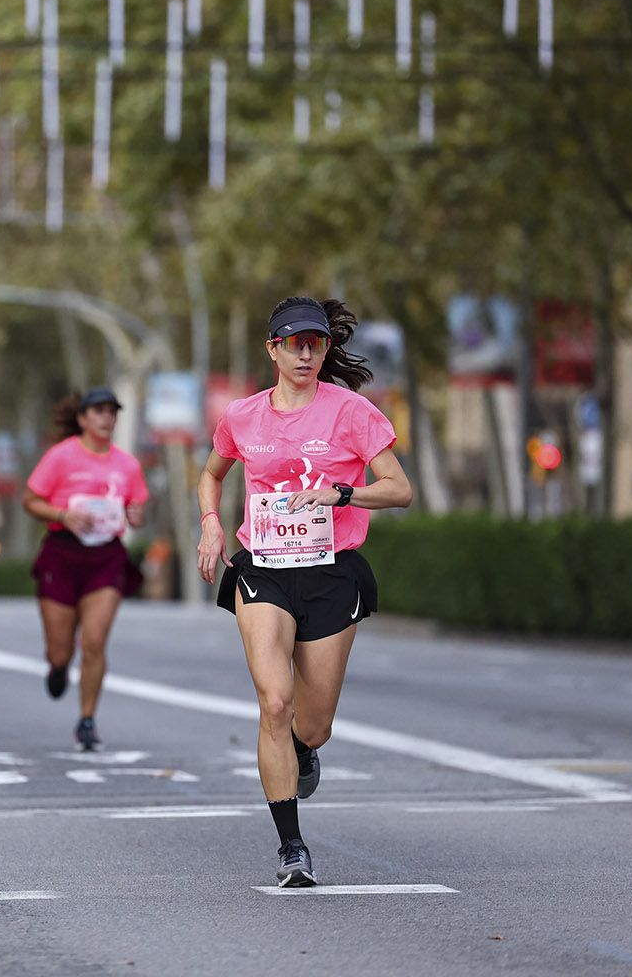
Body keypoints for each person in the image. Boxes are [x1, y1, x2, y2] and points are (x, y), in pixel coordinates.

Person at [196, 296, 412, 888]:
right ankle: (292, 848)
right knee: (273, 701)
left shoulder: (351, 412)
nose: (307, 353)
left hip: (330, 570)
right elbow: (211, 474)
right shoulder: (242, 416)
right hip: (262, 567)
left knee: (311, 724)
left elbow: (399, 490)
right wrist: (211, 524)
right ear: (274, 349)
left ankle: (302, 747)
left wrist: (341, 495)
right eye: (295, 343)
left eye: (316, 343)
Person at [22, 387, 148, 751]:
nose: (106, 418)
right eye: (98, 411)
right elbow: (30, 500)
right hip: (62, 553)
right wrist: (63, 514)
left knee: (94, 641)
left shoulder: (128, 465)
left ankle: (87, 719)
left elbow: (136, 509)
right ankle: (59, 666)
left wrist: (136, 515)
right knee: (61, 650)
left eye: (112, 412)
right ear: (82, 419)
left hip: (105, 557)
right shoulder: (60, 457)